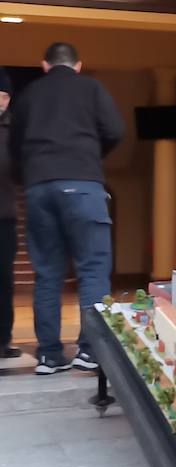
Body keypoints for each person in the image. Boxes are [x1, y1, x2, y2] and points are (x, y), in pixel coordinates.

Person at [10, 43, 124, 375]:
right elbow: (115, 130)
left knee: (47, 273)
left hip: (39, 188)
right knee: (92, 268)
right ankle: (89, 351)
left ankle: (48, 355)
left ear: (44, 65)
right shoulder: (90, 87)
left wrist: (30, 175)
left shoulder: (29, 94)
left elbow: (15, 143)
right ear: (77, 65)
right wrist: (88, 158)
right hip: (82, 184)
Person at [0, 68, 21, 362]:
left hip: (5, 215)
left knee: (4, 279)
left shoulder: (14, 130)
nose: (1, 102)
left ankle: (4, 339)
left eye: (4, 96)